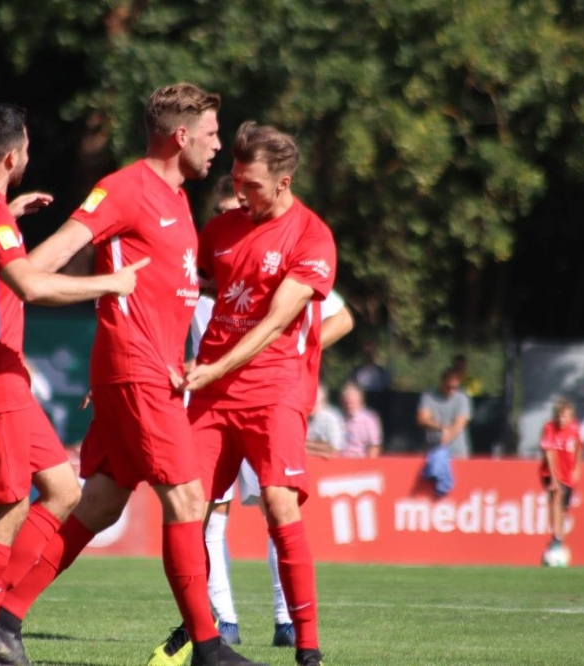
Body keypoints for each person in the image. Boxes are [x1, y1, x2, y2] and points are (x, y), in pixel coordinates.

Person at [0, 84, 266, 666]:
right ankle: (208, 647)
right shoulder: (124, 188)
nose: (218, 146)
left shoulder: (178, 199)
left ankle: (2, 620)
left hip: (142, 376)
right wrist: (6, 265)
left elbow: (169, 288)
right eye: (212, 134)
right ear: (181, 136)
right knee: (188, 498)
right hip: (138, 374)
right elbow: (44, 260)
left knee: (100, 504)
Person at [0, 103, 149, 666]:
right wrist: (110, 283)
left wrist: (3, 219)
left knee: (64, 489)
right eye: (25, 147)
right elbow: (31, 287)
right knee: (7, 506)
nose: (28, 155)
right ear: (10, 157)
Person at [177, 120, 338, 666]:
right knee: (186, 508)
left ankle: (307, 647)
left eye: (252, 186)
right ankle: (203, 636)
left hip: (275, 389)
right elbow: (183, 291)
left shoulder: (311, 236)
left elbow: (274, 323)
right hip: (211, 395)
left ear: (284, 182)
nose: (240, 194)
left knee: (278, 504)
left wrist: (213, 367)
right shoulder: (220, 230)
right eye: (237, 181)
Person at [538, 398, 583, 556]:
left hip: (567, 473)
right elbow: (549, 453)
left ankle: (559, 538)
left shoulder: (575, 429)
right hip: (550, 472)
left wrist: (577, 467)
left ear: (570, 417)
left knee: (564, 508)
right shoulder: (549, 428)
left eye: (564, 416)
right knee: (556, 496)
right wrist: (554, 479)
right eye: (558, 416)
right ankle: (556, 536)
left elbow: (579, 447)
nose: (561, 419)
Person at [416, 367, 472, 459]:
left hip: (457, 454)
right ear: (442, 382)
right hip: (432, 452)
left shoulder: (462, 399)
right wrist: (442, 427)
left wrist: (447, 436)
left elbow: (460, 423)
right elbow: (422, 419)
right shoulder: (428, 396)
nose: (451, 390)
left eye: (455, 388)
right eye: (449, 387)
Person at [338, 380, 382, 458]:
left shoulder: (369, 419)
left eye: (352, 399)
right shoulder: (337, 418)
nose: (349, 401)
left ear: (360, 399)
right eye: (346, 399)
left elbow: (374, 446)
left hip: (360, 460)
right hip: (338, 460)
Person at [304, 384, 345, 457]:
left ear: (324, 402)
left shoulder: (331, 418)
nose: (311, 405)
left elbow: (335, 449)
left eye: (315, 402)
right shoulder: (300, 417)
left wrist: (306, 445)